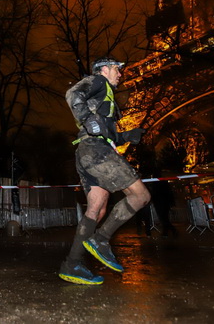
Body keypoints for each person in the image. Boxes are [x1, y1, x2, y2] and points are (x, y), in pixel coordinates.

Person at [59, 57, 150, 285]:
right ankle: (101, 239)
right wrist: (87, 119)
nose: (120, 74)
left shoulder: (105, 96)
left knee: (96, 210)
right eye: (117, 69)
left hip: (86, 151)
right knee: (141, 196)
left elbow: (106, 132)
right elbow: (72, 95)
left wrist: (127, 136)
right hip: (96, 150)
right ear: (105, 69)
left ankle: (72, 264)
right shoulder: (99, 81)